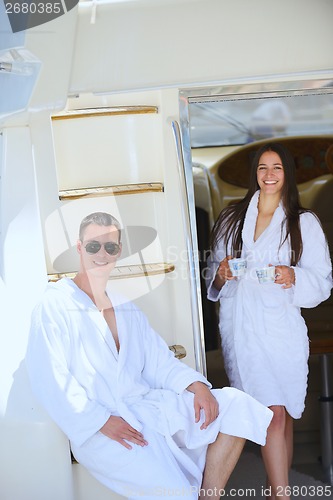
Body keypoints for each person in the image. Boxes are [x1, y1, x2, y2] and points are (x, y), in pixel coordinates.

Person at [26, 212, 272, 500]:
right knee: (177, 493)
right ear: (79, 248)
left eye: (111, 247)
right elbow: (51, 378)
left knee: (235, 405)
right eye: (93, 246)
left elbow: (158, 362)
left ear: (119, 251)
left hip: (145, 411)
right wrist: (100, 421)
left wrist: (198, 386)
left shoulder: (124, 306)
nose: (102, 254)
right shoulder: (55, 304)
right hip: (101, 429)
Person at [206, 142, 333, 500]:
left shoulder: (303, 222)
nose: (269, 175)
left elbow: (322, 280)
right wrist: (222, 273)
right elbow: (213, 280)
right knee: (271, 415)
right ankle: (281, 495)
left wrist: (292, 277)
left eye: (276, 168)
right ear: (254, 174)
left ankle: (277, 486)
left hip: (283, 331)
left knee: (285, 413)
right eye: (263, 168)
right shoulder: (231, 219)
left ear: (287, 174)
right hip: (244, 330)